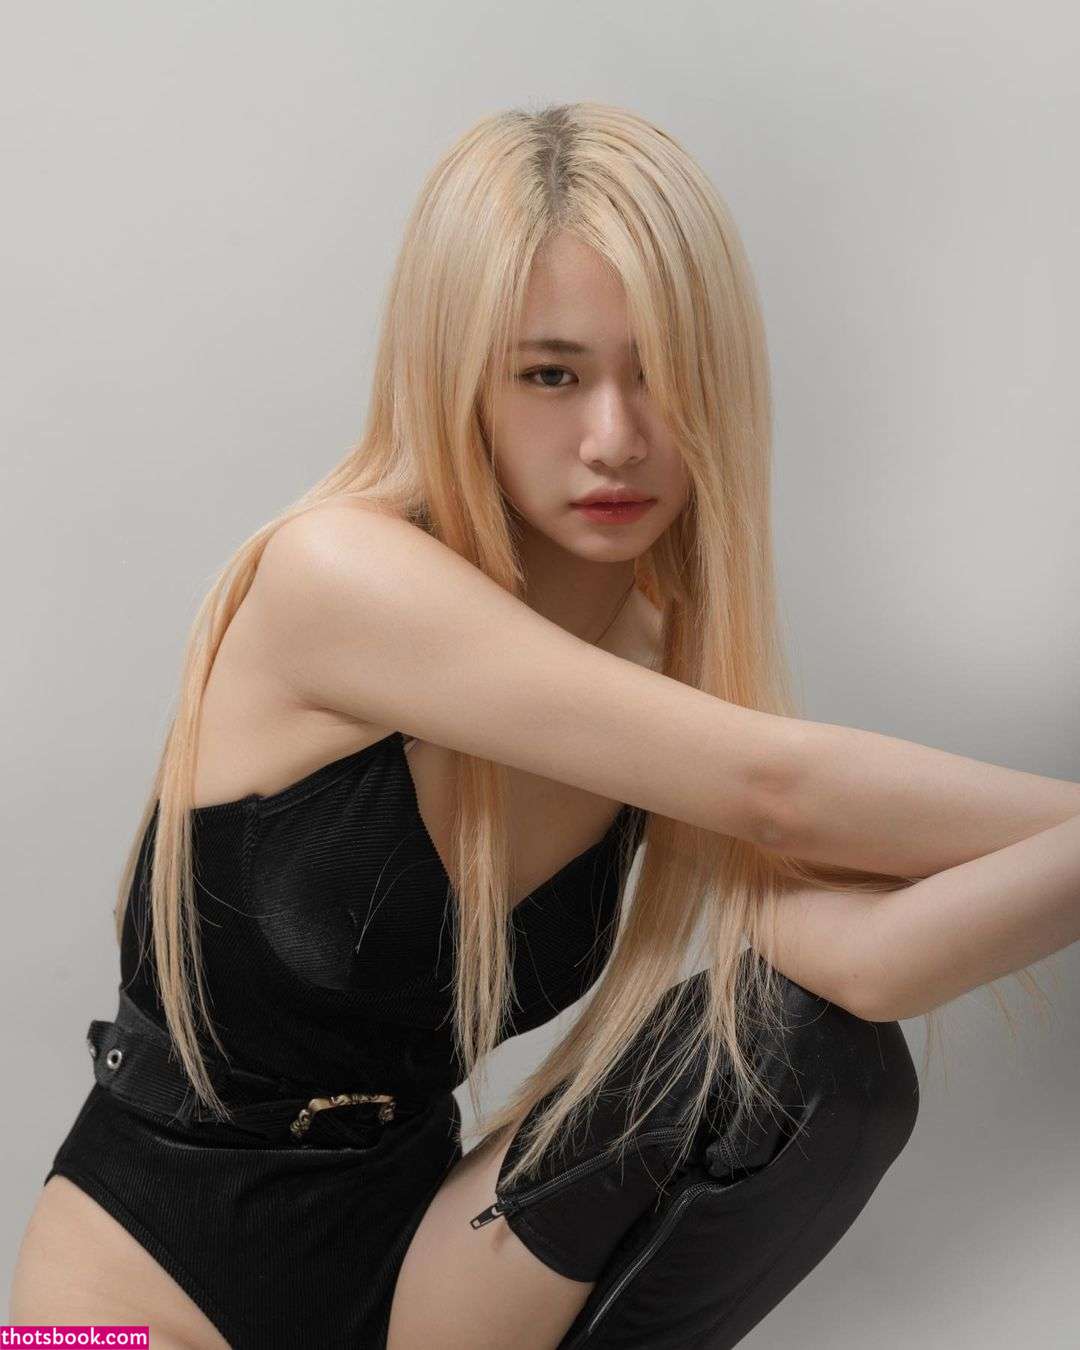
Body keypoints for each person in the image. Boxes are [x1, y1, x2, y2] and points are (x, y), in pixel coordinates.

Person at [10, 101, 1079, 1349]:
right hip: (130, 1290)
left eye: (662, 371)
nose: (616, 437)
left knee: (804, 1058)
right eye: (552, 374)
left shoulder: (657, 670)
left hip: (425, 1263)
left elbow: (857, 972)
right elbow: (779, 790)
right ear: (457, 374)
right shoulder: (333, 576)